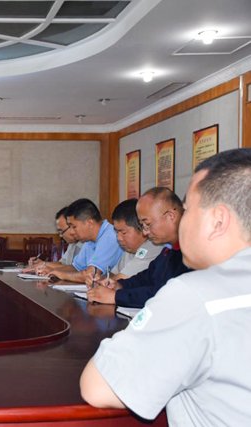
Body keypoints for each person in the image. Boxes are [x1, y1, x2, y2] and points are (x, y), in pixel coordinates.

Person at [80, 148, 251, 425]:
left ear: (218, 220)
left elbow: (99, 387)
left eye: (188, 209)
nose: (183, 220)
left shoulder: (196, 295)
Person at [86, 188, 190, 307]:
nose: (145, 232)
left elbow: (165, 293)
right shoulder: (169, 250)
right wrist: (120, 285)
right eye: (142, 225)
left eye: (148, 224)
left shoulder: (192, 252)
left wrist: (116, 297)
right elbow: (147, 277)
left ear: (170, 216)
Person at [39, 199, 122, 282]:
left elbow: (91, 275)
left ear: (89, 223)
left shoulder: (110, 236)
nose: (72, 232)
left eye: (74, 227)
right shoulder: (89, 240)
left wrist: (61, 274)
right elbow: (75, 268)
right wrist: (51, 270)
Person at [85, 199, 163, 284]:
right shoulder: (129, 249)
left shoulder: (154, 246)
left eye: (123, 232)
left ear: (142, 228)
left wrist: (101, 282)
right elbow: (113, 274)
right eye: (116, 232)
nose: (119, 238)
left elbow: (121, 279)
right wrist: (97, 279)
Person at [25, 207, 83, 272]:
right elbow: (62, 263)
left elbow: (75, 269)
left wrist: (45, 265)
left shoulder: (86, 244)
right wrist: (42, 263)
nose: (61, 236)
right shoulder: (72, 244)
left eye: (61, 231)